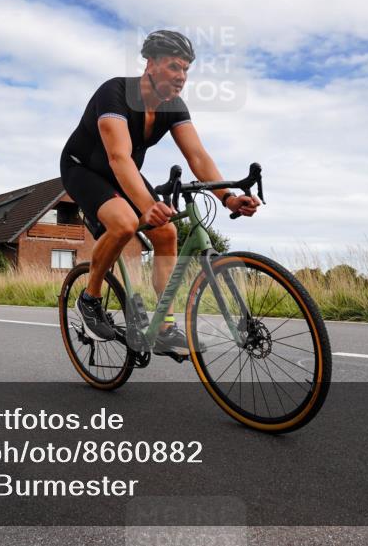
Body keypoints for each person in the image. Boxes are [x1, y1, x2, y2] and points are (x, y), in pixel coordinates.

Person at [60, 30, 260, 356]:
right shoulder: (115, 93)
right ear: (150, 64)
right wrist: (146, 206)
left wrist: (228, 198)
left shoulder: (173, 107)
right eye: (174, 67)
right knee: (125, 223)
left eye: (186, 70)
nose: (182, 77)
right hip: (84, 168)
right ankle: (90, 299)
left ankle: (164, 328)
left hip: (124, 173)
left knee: (166, 232)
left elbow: (198, 157)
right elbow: (118, 157)